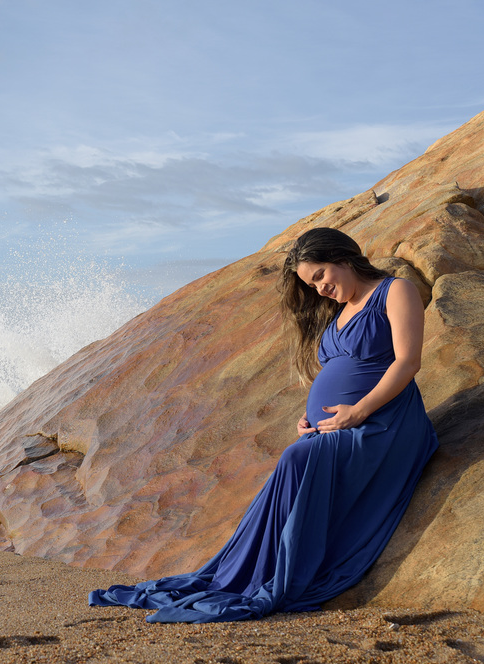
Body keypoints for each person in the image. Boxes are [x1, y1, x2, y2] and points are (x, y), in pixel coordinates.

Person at [90, 227, 439, 623]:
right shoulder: (338, 313)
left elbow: (408, 363)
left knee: (294, 460)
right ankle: (251, 573)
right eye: (312, 284)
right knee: (296, 458)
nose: (321, 288)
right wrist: (312, 416)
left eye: (322, 274)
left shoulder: (394, 292)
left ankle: (279, 573)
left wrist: (357, 411)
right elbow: (339, 372)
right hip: (340, 425)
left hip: (385, 423)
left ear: (343, 257)